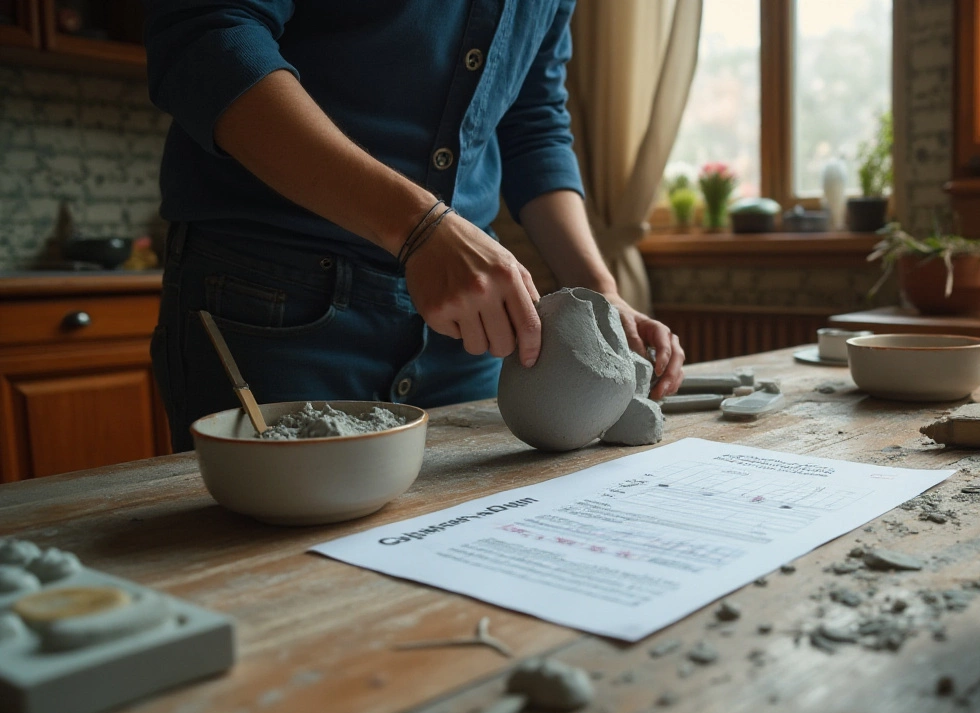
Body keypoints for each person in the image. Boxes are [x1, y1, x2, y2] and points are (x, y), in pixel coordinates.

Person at [143, 1, 685, 450]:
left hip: (469, 333)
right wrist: (420, 227)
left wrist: (603, 292)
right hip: (273, 308)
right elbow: (209, 36)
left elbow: (533, 121)